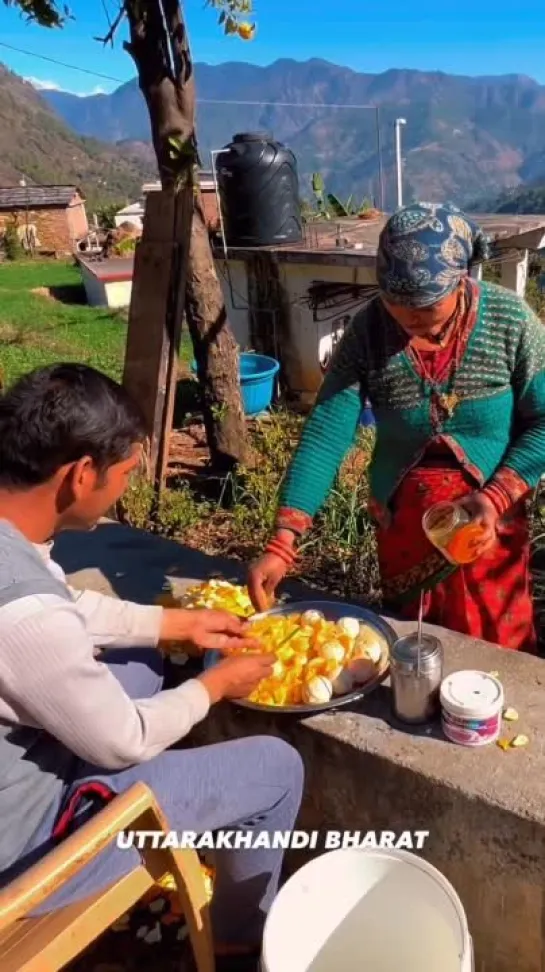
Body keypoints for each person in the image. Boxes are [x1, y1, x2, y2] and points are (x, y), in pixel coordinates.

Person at [0, 363, 304, 972]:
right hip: (24, 854)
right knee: (279, 769)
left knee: (142, 661)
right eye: (123, 476)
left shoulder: (15, 539)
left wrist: (173, 624)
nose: (125, 490)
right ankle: (238, 937)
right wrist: (214, 686)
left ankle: (183, 806)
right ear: (80, 475)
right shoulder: (25, 617)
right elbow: (124, 739)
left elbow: (63, 606)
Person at [249, 202, 545, 652]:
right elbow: (329, 429)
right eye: (395, 300)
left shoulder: (510, 322)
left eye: (426, 305)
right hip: (407, 528)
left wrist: (494, 497)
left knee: (494, 653)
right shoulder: (369, 332)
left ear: (460, 279)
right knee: (415, 647)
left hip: (489, 521)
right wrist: (283, 539)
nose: (409, 315)